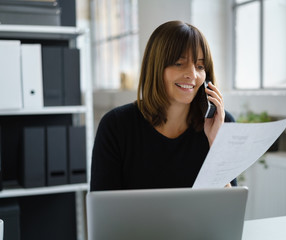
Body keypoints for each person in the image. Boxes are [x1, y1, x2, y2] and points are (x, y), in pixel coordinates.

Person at [90, 20, 236, 191]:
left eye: (200, 66)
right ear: (155, 68)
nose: (192, 75)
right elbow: (103, 208)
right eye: (179, 63)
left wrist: (216, 143)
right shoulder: (116, 125)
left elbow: (228, 207)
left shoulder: (221, 123)